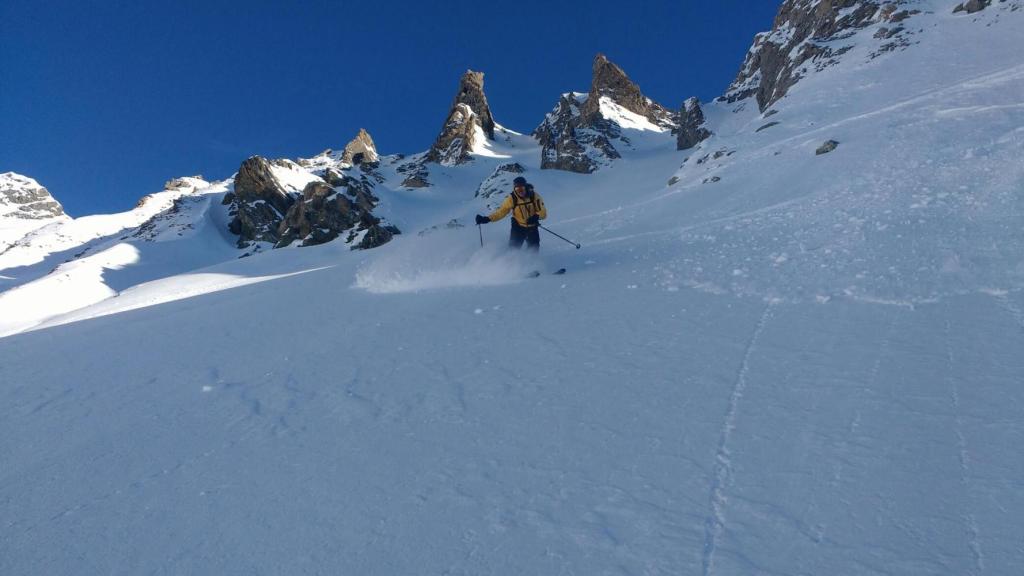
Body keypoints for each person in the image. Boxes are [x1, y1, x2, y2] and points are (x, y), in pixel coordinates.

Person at [475, 176, 547, 251]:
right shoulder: (512, 198)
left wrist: (536, 217)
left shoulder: (534, 196)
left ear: (525, 187)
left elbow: (543, 213)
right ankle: (511, 262)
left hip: (532, 227)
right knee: (513, 249)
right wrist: (487, 219)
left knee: (534, 249)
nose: (520, 191)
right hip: (518, 227)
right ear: (514, 189)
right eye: (517, 189)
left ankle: (532, 262)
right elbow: (501, 212)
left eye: (522, 188)